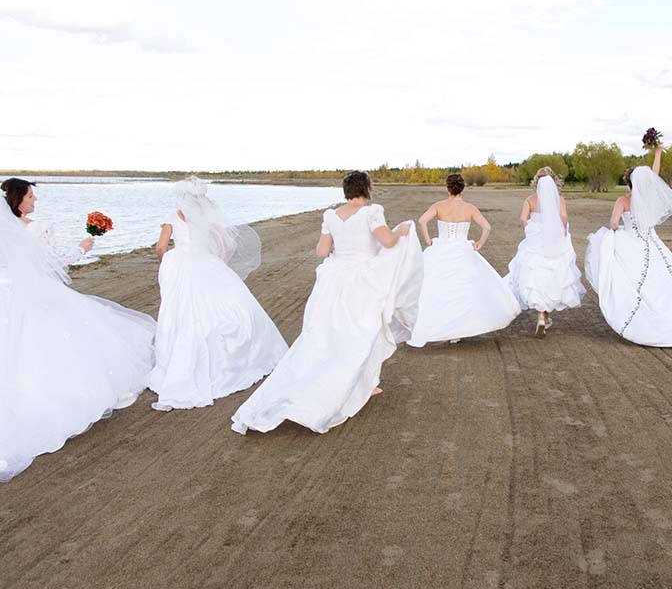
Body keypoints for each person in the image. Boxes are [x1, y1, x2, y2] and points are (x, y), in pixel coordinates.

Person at [231, 171, 423, 435]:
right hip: (361, 281)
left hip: (333, 281)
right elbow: (388, 242)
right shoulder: (372, 212)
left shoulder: (330, 215)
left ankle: (358, 384)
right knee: (362, 333)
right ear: (366, 188)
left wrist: (340, 247)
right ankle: (351, 388)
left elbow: (322, 251)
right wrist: (402, 230)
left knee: (327, 334)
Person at [0, 178, 155, 481]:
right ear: (19, 199)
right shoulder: (37, 227)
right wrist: (84, 246)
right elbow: (53, 262)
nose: (35, 201)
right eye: (32, 196)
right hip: (34, 294)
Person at [149, 177, 288, 411]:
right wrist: (216, 261)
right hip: (207, 263)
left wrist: (169, 262)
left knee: (180, 312)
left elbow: (161, 247)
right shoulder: (208, 215)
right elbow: (228, 244)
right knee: (227, 306)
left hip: (181, 266)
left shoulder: (173, 216)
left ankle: (176, 362)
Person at [584, 149, 672, 348]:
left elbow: (613, 223)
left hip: (630, 241)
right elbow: (654, 177)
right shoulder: (648, 199)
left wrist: (619, 228)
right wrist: (658, 154)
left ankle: (641, 316)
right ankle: (667, 315)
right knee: (662, 278)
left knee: (629, 278)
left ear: (628, 183)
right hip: (652, 243)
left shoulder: (623, 201)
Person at [408, 173, 519, 347]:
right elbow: (486, 226)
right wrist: (480, 243)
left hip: (441, 249)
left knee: (437, 288)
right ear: (462, 188)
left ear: (448, 188)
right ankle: (458, 329)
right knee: (464, 289)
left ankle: (442, 325)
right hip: (463, 251)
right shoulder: (470, 208)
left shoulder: (439, 206)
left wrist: (428, 240)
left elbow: (422, 221)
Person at [505, 167, 585, 337]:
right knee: (552, 277)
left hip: (536, 241)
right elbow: (563, 217)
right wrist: (561, 231)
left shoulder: (530, 199)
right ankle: (544, 317)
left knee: (536, 276)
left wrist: (531, 228)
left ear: (537, 182)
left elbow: (522, 219)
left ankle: (542, 316)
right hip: (553, 241)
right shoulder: (560, 199)